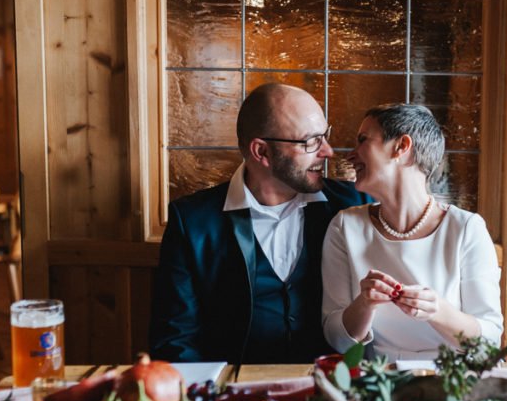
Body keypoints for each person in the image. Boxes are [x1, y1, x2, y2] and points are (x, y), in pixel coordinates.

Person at [150, 83, 371, 364]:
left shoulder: (354, 205)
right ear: (261, 152)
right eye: (310, 142)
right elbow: (175, 340)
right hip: (233, 386)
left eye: (324, 136)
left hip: (336, 384)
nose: (327, 151)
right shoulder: (192, 222)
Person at [321, 103, 503, 361]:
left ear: (401, 147)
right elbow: (337, 340)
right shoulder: (345, 227)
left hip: (453, 376)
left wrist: (437, 311)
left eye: (363, 140)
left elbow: (489, 342)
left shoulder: (466, 228)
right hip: (377, 377)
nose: (351, 155)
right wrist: (365, 303)